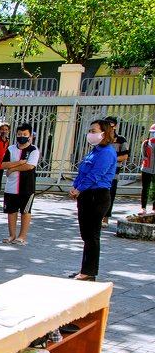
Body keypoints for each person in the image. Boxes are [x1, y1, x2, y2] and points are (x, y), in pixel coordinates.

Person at [69, 119, 117, 281]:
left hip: (97, 196)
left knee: (92, 235)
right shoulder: (95, 151)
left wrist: (79, 189)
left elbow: (96, 175)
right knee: (86, 234)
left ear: (104, 133)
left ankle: (89, 272)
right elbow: (83, 171)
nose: (91, 134)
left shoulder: (107, 152)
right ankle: (85, 269)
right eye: (90, 130)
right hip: (86, 195)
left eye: (94, 131)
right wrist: (75, 186)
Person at [1, 123, 39, 246]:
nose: (21, 136)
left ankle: (22, 236)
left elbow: (30, 165)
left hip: (27, 186)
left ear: (30, 136)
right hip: (11, 186)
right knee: (11, 211)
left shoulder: (33, 150)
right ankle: (12, 235)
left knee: (25, 211)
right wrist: (18, 163)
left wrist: (12, 169)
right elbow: (3, 164)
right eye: (19, 134)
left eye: (24, 134)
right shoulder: (11, 149)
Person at [103, 116, 130, 225]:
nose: (109, 127)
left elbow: (125, 156)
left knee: (109, 196)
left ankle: (105, 219)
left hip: (113, 173)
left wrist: (111, 159)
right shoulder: (102, 139)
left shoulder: (121, 140)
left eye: (111, 125)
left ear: (115, 126)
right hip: (100, 172)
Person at [140, 124, 155, 215]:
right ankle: (143, 207)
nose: (153, 135)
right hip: (146, 169)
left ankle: (154, 208)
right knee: (145, 188)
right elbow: (144, 156)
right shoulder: (145, 143)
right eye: (152, 133)